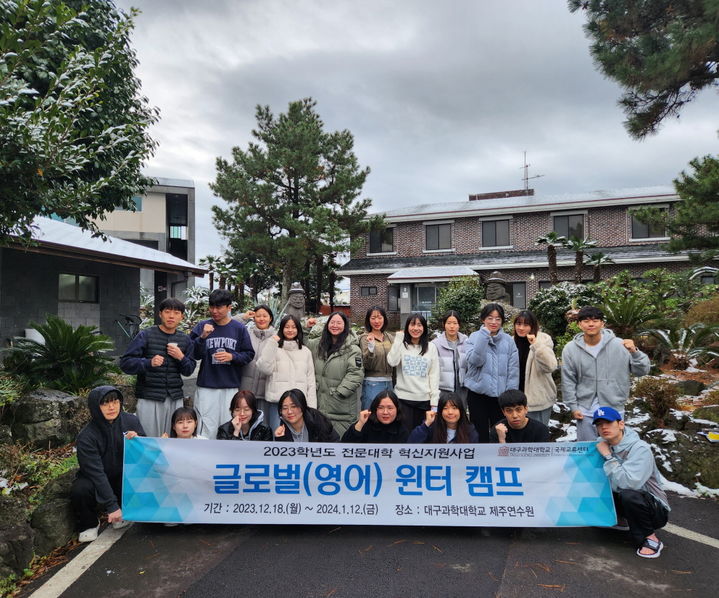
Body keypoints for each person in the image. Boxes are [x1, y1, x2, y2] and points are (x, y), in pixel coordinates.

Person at [562, 306, 651, 442]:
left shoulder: (619, 345)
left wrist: (635, 352)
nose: (591, 324)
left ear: (602, 323)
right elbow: (568, 379)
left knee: (615, 448)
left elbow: (642, 371)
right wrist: (573, 406)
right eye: (586, 321)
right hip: (585, 409)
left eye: (595, 320)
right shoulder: (570, 349)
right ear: (579, 324)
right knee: (588, 451)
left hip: (613, 405)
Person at [593, 406, 670, 558]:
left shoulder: (640, 448)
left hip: (654, 508)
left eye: (608, 422)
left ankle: (650, 538)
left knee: (629, 494)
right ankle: (621, 520)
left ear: (621, 424)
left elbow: (630, 484)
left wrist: (608, 457)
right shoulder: (602, 444)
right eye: (599, 424)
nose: (603, 427)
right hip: (624, 497)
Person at [70, 386, 144, 543]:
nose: (112, 407)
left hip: (121, 475)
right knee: (80, 489)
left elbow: (144, 456)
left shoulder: (131, 420)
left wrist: (139, 441)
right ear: (95, 407)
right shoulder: (86, 436)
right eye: (105, 403)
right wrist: (112, 506)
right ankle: (89, 523)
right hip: (97, 478)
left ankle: (124, 510)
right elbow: (96, 473)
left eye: (115, 401)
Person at [119, 297, 196, 437]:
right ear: (160, 314)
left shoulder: (185, 339)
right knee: (149, 439)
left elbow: (189, 369)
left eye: (176, 313)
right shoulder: (146, 335)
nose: (171, 316)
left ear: (182, 317)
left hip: (175, 398)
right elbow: (125, 363)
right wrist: (149, 363)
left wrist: (181, 357)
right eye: (167, 312)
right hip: (149, 397)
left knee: (174, 440)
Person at [190, 289, 255, 438]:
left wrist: (232, 356)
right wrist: (202, 337)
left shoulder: (239, 329)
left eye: (219, 307)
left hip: (230, 386)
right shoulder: (202, 326)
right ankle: (205, 459)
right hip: (207, 385)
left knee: (230, 425)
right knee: (206, 425)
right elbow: (192, 354)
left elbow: (249, 354)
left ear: (229, 307)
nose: (214, 311)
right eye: (211, 306)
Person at [464, 303, 519, 443]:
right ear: (483, 319)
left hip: (500, 397)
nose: (494, 322)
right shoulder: (474, 337)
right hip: (477, 394)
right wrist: (483, 336)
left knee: (500, 431)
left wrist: (510, 396)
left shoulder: (508, 341)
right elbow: (475, 361)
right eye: (490, 318)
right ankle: (481, 462)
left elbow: (513, 370)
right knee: (478, 432)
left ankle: (499, 460)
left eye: (498, 319)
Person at [306, 312, 363, 436]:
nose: (335, 325)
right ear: (327, 325)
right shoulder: (318, 345)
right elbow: (303, 343)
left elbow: (355, 374)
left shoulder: (353, 349)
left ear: (345, 326)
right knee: (320, 442)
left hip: (341, 406)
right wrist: (306, 328)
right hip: (320, 401)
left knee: (340, 442)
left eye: (339, 323)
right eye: (332, 322)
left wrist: (339, 392)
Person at [256, 314, 316, 430]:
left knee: (298, 439)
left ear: (298, 329)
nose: (290, 330)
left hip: (299, 404)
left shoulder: (306, 351)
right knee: (277, 438)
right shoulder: (274, 348)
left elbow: (311, 381)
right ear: (281, 329)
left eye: (293, 327)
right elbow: (264, 368)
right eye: (286, 327)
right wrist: (272, 343)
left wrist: (312, 407)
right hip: (277, 404)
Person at [387, 313, 440, 433]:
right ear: (407, 327)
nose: (416, 328)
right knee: (404, 437)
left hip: (424, 401)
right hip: (403, 399)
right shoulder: (401, 345)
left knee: (423, 437)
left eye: (419, 325)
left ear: (424, 328)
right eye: (412, 324)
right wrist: (399, 339)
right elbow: (392, 362)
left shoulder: (431, 347)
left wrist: (434, 403)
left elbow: (434, 376)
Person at [512, 310, 557, 425]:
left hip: (538, 399)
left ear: (533, 326)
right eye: (518, 324)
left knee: (538, 437)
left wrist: (536, 344)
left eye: (526, 325)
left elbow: (551, 366)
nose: (521, 328)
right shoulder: (511, 342)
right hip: (516, 400)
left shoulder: (543, 340)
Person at [237, 304, 276, 422]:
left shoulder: (276, 337)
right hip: (245, 389)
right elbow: (230, 324)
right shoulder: (246, 334)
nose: (262, 319)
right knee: (244, 423)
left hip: (265, 392)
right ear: (253, 318)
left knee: (263, 425)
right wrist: (243, 317)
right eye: (258, 316)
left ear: (271, 318)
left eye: (265, 316)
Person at [358, 306, 395, 410]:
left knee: (387, 416)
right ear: (368, 320)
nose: (377, 321)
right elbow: (367, 364)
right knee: (370, 415)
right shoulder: (364, 338)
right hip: (372, 383)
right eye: (373, 318)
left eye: (379, 317)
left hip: (389, 382)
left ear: (384, 319)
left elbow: (396, 360)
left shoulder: (390, 338)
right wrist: (371, 347)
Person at [408, 391, 479, 444]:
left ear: (461, 411)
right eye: (445, 408)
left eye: (454, 408)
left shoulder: (469, 430)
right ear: (440, 411)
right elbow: (412, 443)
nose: (450, 412)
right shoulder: (431, 426)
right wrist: (426, 424)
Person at [341, 389, 408, 443]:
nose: (385, 412)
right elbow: (345, 446)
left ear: (397, 409)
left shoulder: (402, 430)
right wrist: (360, 423)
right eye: (381, 408)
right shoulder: (365, 424)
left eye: (390, 408)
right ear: (375, 409)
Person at [273, 389, 339, 443]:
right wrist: (280, 439)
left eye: (294, 406)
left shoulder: (317, 420)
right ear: (280, 411)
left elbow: (335, 443)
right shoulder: (281, 431)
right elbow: (283, 458)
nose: (289, 412)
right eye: (285, 408)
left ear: (302, 406)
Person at [432, 310, 468, 400]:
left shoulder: (467, 342)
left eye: (455, 323)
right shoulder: (435, 344)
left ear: (459, 325)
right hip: (443, 389)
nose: (452, 326)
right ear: (444, 325)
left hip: (462, 389)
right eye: (449, 323)